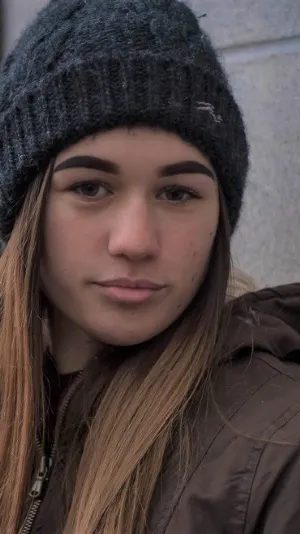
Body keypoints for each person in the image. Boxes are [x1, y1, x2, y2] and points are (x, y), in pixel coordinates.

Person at [0, 0, 300, 533]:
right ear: (24, 210)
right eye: (90, 187)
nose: (135, 241)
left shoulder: (277, 451)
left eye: (178, 193)